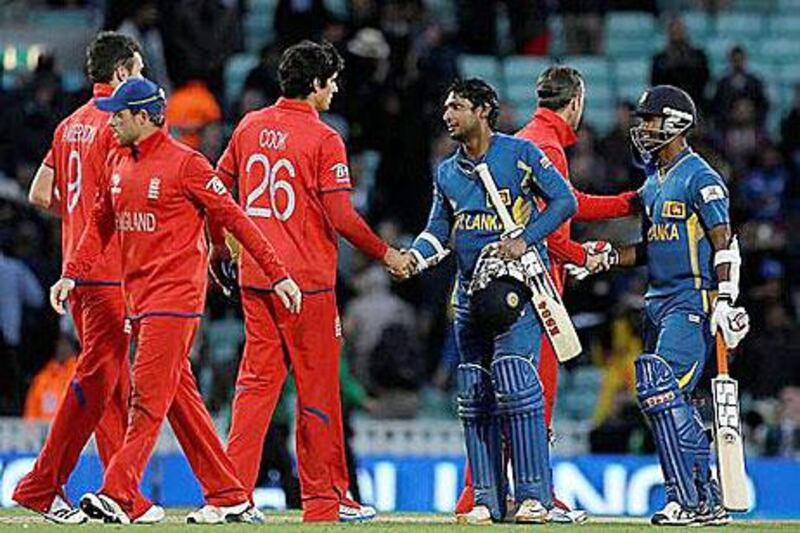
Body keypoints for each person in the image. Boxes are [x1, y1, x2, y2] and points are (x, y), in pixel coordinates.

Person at [48, 76, 302, 525]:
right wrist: (71, 274)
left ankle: (118, 492)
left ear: (144, 117)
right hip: (139, 301)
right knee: (181, 402)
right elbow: (99, 227)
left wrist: (278, 274)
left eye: (120, 116)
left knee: (146, 399)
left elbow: (237, 221)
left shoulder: (189, 165)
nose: (113, 123)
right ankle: (229, 495)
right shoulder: (116, 161)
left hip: (176, 301)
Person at [213, 40, 407, 522]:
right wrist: (385, 253)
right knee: (318, 390)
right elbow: (340, 215)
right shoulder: (324, 139)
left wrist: (221, 251)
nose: (336, 89)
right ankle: (326, 500)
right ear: (316, 84)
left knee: (255, 388)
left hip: (257, 277)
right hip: (307, 284)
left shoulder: (249, 125)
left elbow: (217, 190)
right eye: (333, 80)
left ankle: (232, 496)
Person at [454, 64, 640, 524]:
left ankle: (478, 498)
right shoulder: (547, 148)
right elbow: (551, 234)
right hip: (532, 292)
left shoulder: (526, 138)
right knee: (534, 395)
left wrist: (627, 203)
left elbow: (569, 202)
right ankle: (537, 496)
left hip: (497, 285)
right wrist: (584, 255)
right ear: (575, 102)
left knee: (496, 397)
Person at [399, 78, 577, 524]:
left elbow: (565, 201)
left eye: (456, 106)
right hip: (468, 294)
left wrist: (526, 239)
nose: (446, 114)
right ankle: (486, 500)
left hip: (517, 290)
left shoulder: (520, 154)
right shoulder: (446, 171)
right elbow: (438, 231)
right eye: (445, 107)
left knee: (517, 383)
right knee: (475, 394)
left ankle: (535, 496)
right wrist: (411, 259)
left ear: (482, 110)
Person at [13, 31, 162, 525]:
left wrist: (76, 215)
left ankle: (122, 495)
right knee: (98, 381)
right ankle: (42, 483)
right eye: (137, 72)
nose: (142, 82)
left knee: (110, 387)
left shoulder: (69, 124)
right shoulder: (119, 126)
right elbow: (126, 200)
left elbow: (39, 193)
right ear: (121, 73)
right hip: (110, 271)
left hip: (77, 271)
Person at [599, 85, 750, 525]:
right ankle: (702, 495)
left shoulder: (700, 177)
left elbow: (725, 242)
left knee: (659, 386)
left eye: (649, 119)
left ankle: (693, 500)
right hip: (656, 303)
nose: (642, 128)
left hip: (693, 300)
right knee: (663, 399)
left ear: (675, 124)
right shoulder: (652, 184)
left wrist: (724, 298)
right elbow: (648, 247)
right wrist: (605, 257)